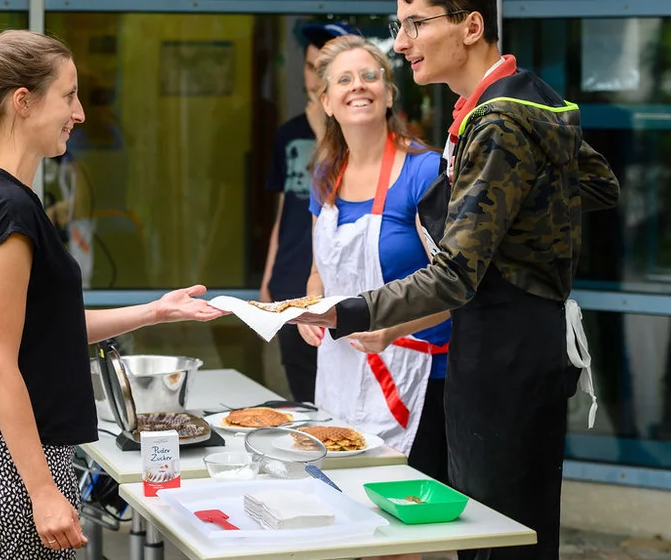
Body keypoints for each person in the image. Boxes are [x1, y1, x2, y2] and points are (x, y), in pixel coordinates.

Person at [293, 2, 621, 559]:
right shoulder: (511, 101)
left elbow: (453, 275)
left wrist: (344, 311)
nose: (401, 43)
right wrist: (513, 222)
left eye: (416, 24)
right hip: (509, 347)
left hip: (503, 353)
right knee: (498, 530)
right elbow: (595, 184)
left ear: (471, 27)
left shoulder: (499, 120)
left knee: (495, 537)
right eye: (400, 27)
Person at [0, 30, 224, 559]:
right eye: (68, 96)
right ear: (23, 101)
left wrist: (156, 311)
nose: (80, 113)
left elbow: (47, 329)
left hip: (11, 454)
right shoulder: (7, 206)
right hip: (4, 460)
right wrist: (43, 492)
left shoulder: (7, 197)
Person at [298, 35, 452, 482]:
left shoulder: (424, 171)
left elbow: (459, 285)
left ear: (388, 93)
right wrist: (310, 308)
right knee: (343, 500)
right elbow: (318, 272)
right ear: (326, 102)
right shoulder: (325, 174)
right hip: (342, 372)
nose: (358, 86)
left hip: (420, 376)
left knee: (400, 512)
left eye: (369, 76)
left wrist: (393, 328)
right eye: (344, 80)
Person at [260, 21, 355, 403]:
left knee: (340, 403)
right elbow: (285, 208)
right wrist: (269, 276)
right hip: (291, 282)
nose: (315, 79)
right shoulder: (288, 133)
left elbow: (346, 193)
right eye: (310, 66)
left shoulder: (358, 132)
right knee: (301, 398)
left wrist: (321, 132)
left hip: (338, 291)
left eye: (324, 68)